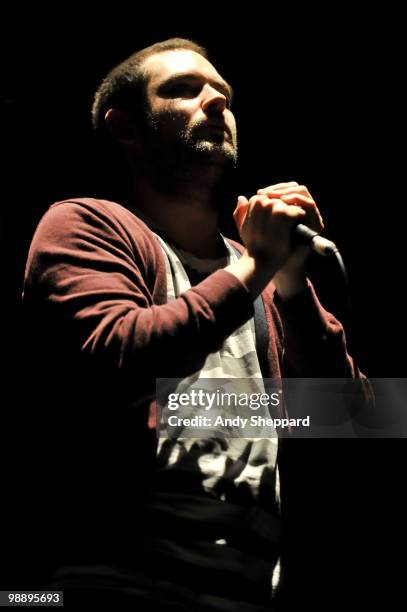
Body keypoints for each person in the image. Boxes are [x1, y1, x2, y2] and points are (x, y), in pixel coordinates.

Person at [21, 38, 370, 610]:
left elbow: (355, 422)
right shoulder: (84, 222)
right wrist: (258, 266)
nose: (214, 101)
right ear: (126, 126)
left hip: (247, 595)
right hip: (101, 585)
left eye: (223, 94)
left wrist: (290, 282)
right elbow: (116, 359)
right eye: (183, 89)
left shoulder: (257, 272)